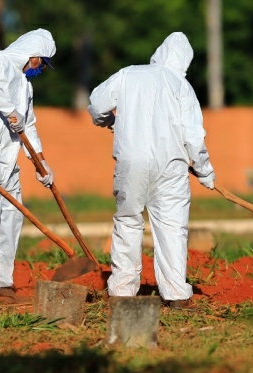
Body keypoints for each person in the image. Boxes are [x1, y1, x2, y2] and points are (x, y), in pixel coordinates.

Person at [87, 32, 215, 310]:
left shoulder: (129, 74)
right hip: (171, 167)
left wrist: (105, 119)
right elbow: (194, 136)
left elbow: (97, 103)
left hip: (130, 162)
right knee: (172, 227)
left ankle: (122, 291)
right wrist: (205, 171)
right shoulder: (181, 85)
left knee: (128, 222)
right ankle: (176, 295)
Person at [0, 28, 57, 294]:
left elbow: (29, 125)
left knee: (13, 217)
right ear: (32, 54)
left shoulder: (26, 85)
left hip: (10, 159)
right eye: (42, 62)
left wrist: (41, 163)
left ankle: (5, 280)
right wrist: (9, 110)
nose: (41, 68)